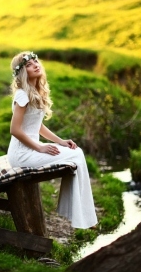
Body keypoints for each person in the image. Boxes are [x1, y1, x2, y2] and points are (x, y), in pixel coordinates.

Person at [7, 51, 97, 229]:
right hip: (22, 154)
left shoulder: (34, 92)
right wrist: (40, 148)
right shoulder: (22, 95)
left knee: (75, 152)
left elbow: (37, 126)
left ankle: (76, 212)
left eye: (35, 61)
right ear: (22, 72)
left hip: (31, 149)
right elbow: (15, 130)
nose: (35, 65)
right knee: (76, 155)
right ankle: (78, 215)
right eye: (29, 64)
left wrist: (61, 141)